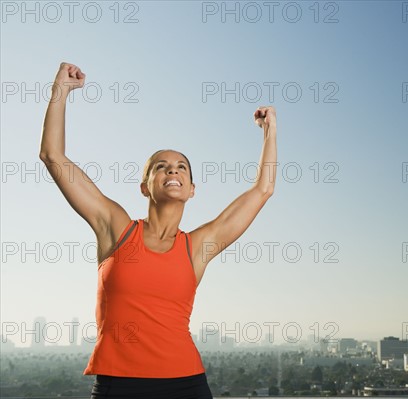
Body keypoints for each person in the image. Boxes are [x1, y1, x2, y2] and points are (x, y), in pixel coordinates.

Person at [39, 62, 277, 399]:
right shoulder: (116, 229)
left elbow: (262, 190)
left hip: (187, 384)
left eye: (181, 167)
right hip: (118, 386)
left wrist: (270, 131)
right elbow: (52, 156)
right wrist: (60, 91)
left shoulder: (197, 247)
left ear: (192, 188)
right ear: (145, 186)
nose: (172, 170)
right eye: (161, 167)